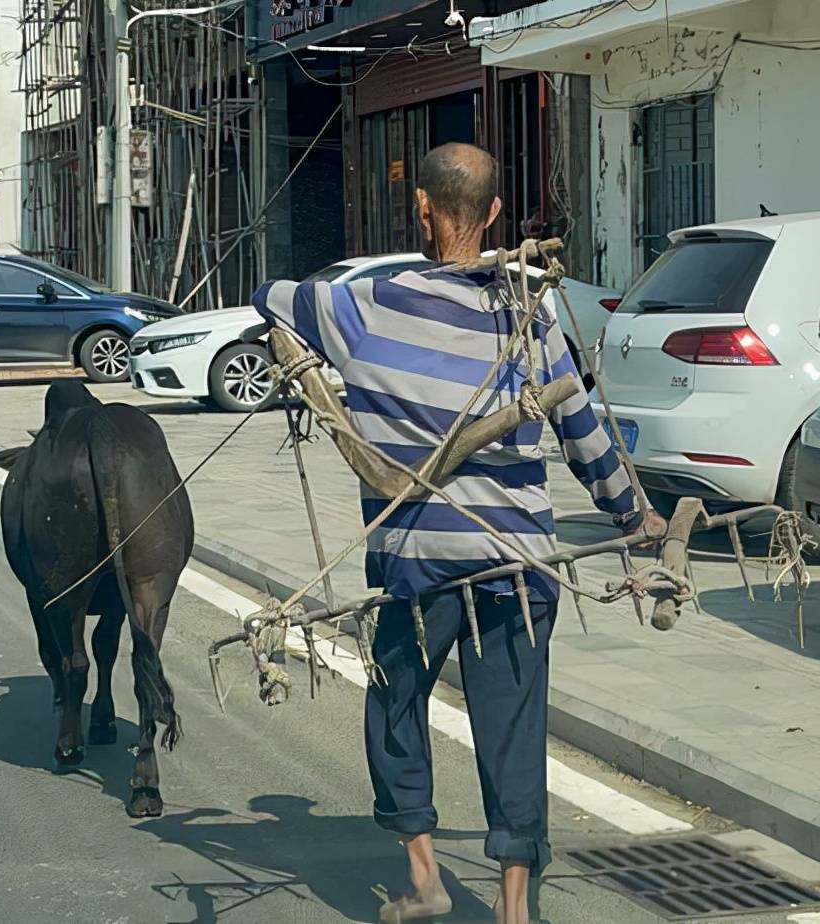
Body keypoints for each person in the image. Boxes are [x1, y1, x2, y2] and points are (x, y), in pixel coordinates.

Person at [252, 142, 662, 924]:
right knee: (514, 729)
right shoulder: (530, 323)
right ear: (498, 216)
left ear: (423, 210)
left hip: (418, 569)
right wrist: (631, 517)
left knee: (394, 703)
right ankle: (514, 909)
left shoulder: (368, 307)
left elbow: (268, 295)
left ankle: (425, 878)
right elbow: (585, 439)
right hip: (518, 564)